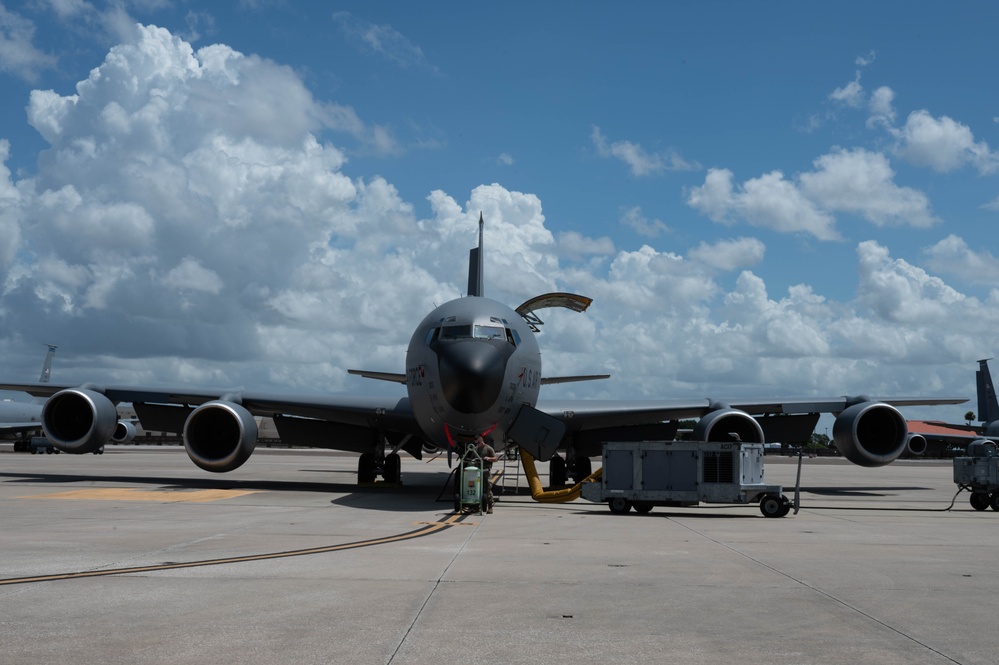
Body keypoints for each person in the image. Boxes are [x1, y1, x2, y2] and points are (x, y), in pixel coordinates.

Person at [474, 434, 499, 513]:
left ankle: (490, 507)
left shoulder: (488, 448)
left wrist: (489, 458)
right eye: (476, 443)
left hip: (486, 471)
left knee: (488, 488)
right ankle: (476, 507)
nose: (477, 445)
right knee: (476, 488)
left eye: (478, 443)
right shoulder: (475, 449)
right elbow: (472, 458)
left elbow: (495, 459)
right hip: (477, 471)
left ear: (481, 440)